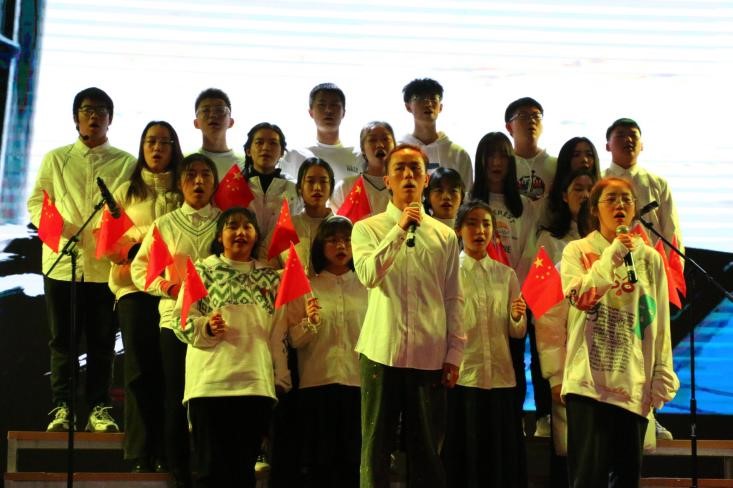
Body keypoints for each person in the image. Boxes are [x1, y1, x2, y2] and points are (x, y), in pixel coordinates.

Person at [352, 143, 465, 488]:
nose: (408, 176)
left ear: (426, 179)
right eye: (399, 169)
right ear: (386, 180)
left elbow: (453, 297)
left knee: (427, 451)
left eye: (415, 169)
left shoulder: (445, 236)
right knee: (376, 449)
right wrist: (399, 229)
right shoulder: (367, 229)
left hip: (430, 355)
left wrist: (455, 352)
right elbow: (368, 275)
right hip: (382, 353)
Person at [27, 87, 135, 433]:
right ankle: (63, 407)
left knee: (102, 343)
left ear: (110, 119)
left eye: (101, 110)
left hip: (105, 269)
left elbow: (132, 212)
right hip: (62, 264)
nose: (94, 116)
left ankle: (99, 408)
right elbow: (36, 203)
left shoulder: (126, 163)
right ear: (76, 118)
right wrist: (63, 232)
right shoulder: (56, 158)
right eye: (87, 110)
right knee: (63, 343)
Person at [560, 176, 679, 487]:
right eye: (611, 199)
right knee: (588, 479)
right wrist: (612, 254)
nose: (620, 205)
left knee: (626, 479)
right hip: (588, 383)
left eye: (626, 199)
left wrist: (661, 372)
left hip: (631, 383)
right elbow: (581, 298)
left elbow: (658, 321)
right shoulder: (577, 250)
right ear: (594, 209)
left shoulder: (650, 258)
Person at [175, 207, 290, 488]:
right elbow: (182, 321)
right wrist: (206, 327)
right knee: (209, 473)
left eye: (247, 226)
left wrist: (280, 378)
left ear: (256, 235)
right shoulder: (201, 271)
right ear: (219, 236)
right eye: (232, 226)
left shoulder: (272, 278)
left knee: (243, 473)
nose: (240, 232)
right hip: (210, 385)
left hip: (254, 386)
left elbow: (278, 332)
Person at [131, 153, 221, 488]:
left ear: (214, 182)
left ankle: (208, 470)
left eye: (206, 175)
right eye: (191, 175)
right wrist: (168, 287)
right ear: (180, 182)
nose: (198, 181)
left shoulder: (226, 223)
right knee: (175, 396)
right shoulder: (165, 225)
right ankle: (178, 471)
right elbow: (141, 269)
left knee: (209, 397)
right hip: (175, 320)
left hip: (215, 323)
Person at [108, 121, 183, 472]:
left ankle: (169, 452)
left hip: (173, 293)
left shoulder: (183, 190)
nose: (157, 148)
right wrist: (137, 243)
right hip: (134, 290)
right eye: (151, 141)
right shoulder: (126, 191)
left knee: (171, 373)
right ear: (142, 147)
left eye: (164, 142)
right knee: (139, 371)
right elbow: (109, 243)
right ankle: (140, 452)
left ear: (174, 148)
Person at [443, 199, 527, 488]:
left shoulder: (506, 275)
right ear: (458, 230)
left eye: (486, 224)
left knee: (499, 459)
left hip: (501, 378)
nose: (480, 231)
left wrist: (516, 317)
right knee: (465, 459)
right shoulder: (449, 273)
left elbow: (517, 333)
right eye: (472, 224)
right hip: (464, 377)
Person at [470, 131, 543, 436]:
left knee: (514, 362)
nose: (496, 162)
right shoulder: (470, 201)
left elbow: (529, 253)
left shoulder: (525, 206)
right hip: (476, 298)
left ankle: (513, 425)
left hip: (513, 297)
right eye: (490, 156)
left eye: (502, 155)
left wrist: (514, 292)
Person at [287, 215, 366, 487]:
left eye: (347, 240)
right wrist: (310, 322)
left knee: (353, 463)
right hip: (317, 383)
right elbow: (294, 340)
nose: (341, 246)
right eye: (332, 240)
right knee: (320, 464)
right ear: (321, 246)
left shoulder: (368, 288)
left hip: (357, 383)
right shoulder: (308, 287)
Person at [534, 168, 596, 487]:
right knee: (572, 463)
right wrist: (555, 376)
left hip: (613, 380)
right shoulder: (551, 243)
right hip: (572, 372)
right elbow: (542, 313)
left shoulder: (628, 262)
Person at [604, 118, 683, 250]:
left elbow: (671, 230)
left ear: (642, 146)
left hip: (652, 259)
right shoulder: (598, 181)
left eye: (633, 135)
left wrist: (673, 262)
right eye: (621, 136)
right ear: (608, 146)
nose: (628, 140)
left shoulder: (658, 183)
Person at [399, 78, 473, 189]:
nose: (428, 103)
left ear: (441, 107)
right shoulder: (398, 152)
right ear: (408, 107)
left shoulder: (458, 154)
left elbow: (466, 195)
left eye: (433, 98)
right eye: (419, 98)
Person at [280, 83, 361, 184]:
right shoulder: (294, 156)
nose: (328, 110)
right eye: (322, 105)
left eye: (334, 105)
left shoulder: (359, 157)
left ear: (343, 112)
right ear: (311, 112)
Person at [274, 158, 334, 275]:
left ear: (331, 188)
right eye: (310, 181)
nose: (317, 187)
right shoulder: (287, 227)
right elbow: (265, 259)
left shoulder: (342, 228)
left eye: (323, 181)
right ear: (300, 188)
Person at [242, 122, 301, 239]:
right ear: (248, 150)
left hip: (282, 250)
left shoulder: (294, 189)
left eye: (273, 143)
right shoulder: (236, 187)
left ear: (282, 152)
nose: (266, 148)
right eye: (259, 142)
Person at [330, 121, 395, 215]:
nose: (380, 145)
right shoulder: (345, 187)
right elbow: (333, 221)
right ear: (363, 149)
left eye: (385, 139)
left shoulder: (405, 185)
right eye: (372, 140)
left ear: (394, 146)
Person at [504, 97, 557, 202]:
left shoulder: (556, 165)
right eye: (523, 116)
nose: (532, 120)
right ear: (509, 127)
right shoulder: (503, 166)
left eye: (536, 116)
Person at [542, 136, 601, 228]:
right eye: (576, 155)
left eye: (589, 155)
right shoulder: (550, 202)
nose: (584, 160)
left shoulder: (604, 193)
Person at [192, 88, 245, 180]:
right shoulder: (185, 160)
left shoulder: (245, 164)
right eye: (205, 110)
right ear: (196, 123)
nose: (213, 115)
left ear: (231, 122)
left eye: (220, 110)